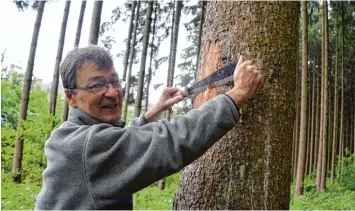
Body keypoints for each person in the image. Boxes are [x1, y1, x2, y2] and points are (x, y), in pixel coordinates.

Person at [35, 45, 262, 210]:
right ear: (71, 97)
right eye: (97, 85)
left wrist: (151, 113)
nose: (113, 92)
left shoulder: (74, 136)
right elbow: (167, 141)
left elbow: (120, 142)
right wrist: (234, 96)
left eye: (115, 81)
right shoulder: (83, 148)